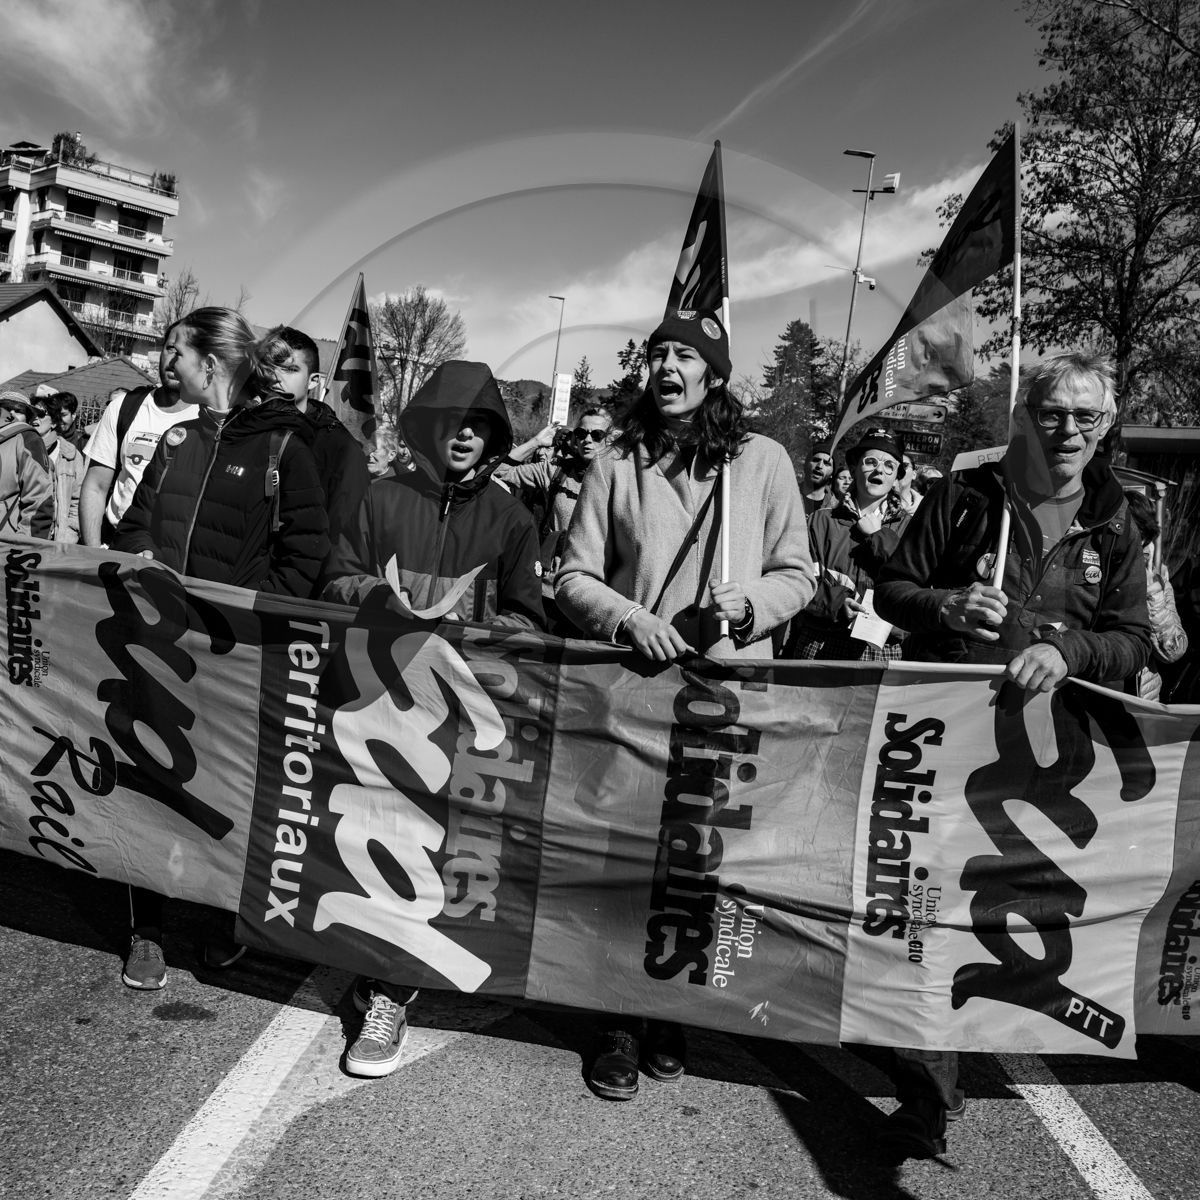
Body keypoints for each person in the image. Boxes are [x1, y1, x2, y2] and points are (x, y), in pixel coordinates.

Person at [873, 351, 1152, 1159]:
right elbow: (893, 589)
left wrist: (1071, 655)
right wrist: (947, 605)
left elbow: (1131, 642)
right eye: (1053, 412)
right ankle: (927, 1091)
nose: (1068, 429)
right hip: (949, 743)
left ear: (1105, 426)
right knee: (933, 909)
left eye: (1086, 417)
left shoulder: (1120, 520)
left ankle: (995, 1025)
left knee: (1003, 914)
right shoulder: (967, 495)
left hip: (1056, 763)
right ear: (1028, 413)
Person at [555, 308, 814, 1100]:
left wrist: (750, 608)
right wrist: (629, 617)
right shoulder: (617, 461)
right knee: (629, 861)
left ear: (714, 376)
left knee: (702, 865)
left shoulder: (762, 461)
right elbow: (572, 577)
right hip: (636, 692)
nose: (668, 366)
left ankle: (671, 1011)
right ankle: (619, 1023)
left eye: (685, 356)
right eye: (659, 354)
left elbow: (799, 573)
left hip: (727, 695)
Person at [323, 359, 544, 1079]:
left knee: (429, 850)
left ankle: (390, 994)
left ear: (493, 440)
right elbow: (335, 570)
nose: (465, 438)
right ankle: (367, 960)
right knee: (369, 839)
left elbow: (528, 616)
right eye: (454, 423)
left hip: (456, 710)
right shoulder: (381, 497)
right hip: (373, 695)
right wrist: (374, 597)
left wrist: (484, 632)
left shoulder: (511, 517)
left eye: (480, 427)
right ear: (429, 426)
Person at [111, 308, 329, 988]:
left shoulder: (286, 446)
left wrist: (241, 623)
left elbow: (306, 557)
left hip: (233, 659)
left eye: (174, 351)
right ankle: (145, 930)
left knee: (221, 795)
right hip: (155, 644)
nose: (164, 364)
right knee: (147, 785)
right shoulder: (175, 439)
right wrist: (139, 557)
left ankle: (223, 924)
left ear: (211, 361)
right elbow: (130, 527)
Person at [784, 428, 911, 661]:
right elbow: (797, 581)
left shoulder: (911, 527)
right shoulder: (821, 521)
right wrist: (837, 603)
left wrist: (878, 536)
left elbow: (911, 583)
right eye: (870, 462)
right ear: (853, 470)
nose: (879, 470)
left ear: (895, 477)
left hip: (883, 648)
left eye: (889, 466)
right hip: (821, 641)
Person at [252, 325, 371, 553]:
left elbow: (344, 541)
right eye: (269, 367)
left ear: (314, 380)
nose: (276, 377)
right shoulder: (242, 429)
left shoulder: (341, 450)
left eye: (290, 369)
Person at [494, 406, 613, 625]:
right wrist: (536, 443)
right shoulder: (555, 471)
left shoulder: (624, 480)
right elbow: (497, 470)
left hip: (601, 594)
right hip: (552, 591)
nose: (588, 440)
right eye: (581, 434)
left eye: (597, 435)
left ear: (610, 439)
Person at [80, 350, 196, 547]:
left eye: (185, 351)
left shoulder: (214, 417)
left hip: (173, 551)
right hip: (116, 543)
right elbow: (96, 487)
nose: (174, 359)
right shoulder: (123, 406)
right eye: (170, 348)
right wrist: (94, 553)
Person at [1123, 489, 1186, 701]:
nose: (1144, 550)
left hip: (1139, 697)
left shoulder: (1158, 577)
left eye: (1145, 541)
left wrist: (1151, 591)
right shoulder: (1092, 569)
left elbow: (1173, 650)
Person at [0, 391, 54, 539]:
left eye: (18, 410)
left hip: (6, 543)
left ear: (29, 419)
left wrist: (24, 546)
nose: (11, 414)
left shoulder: (28, 438)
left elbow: (39, 500)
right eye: (5, 409)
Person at [34, 396, 85, 542]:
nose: (35, 418)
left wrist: (67, 536)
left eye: (42, 414)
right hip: (23, 536)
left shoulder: (71, 455)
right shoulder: (20, 449)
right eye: (32, 413)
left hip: (57, 540)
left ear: (54, 422)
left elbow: (77, 502)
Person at [802, 439, 835, 517]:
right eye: (816, 460)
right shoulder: (786, 497)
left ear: (832, 474)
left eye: (826, 463)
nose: (820, 466)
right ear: (806, 465)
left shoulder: (836, 510)